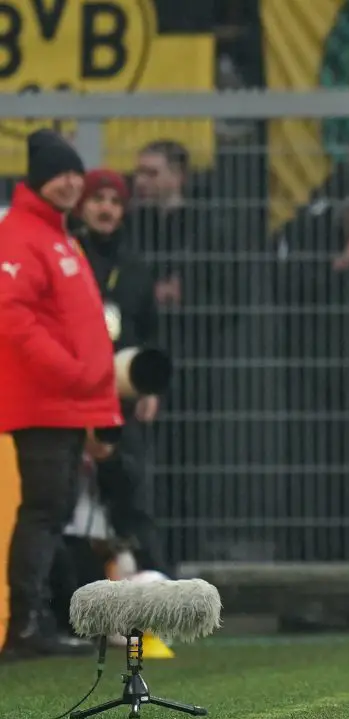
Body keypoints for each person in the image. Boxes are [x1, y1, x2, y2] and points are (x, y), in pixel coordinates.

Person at [0, 129, 123, 659]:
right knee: (45, 510)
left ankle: (36, 622)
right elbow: (12, 315)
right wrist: (69, 371)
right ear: (38, 178)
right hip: (47, 400)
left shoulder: (54, 234)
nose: (72, 182)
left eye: (76, 172)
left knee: (52, 510)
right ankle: (26, 625)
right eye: (60, 173)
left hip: (65, 400)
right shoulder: (24, 235)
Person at [73, 169, 170, 577]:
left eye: (114, 202)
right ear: (82, 206)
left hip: (121, 396)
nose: (106, 209)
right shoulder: (67, 257)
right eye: (98, 200)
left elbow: (150, 331)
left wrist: (150, 390)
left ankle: (155, 581)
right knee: (64, 498)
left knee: (130, 493)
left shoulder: (134, 266)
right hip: (72, 392)